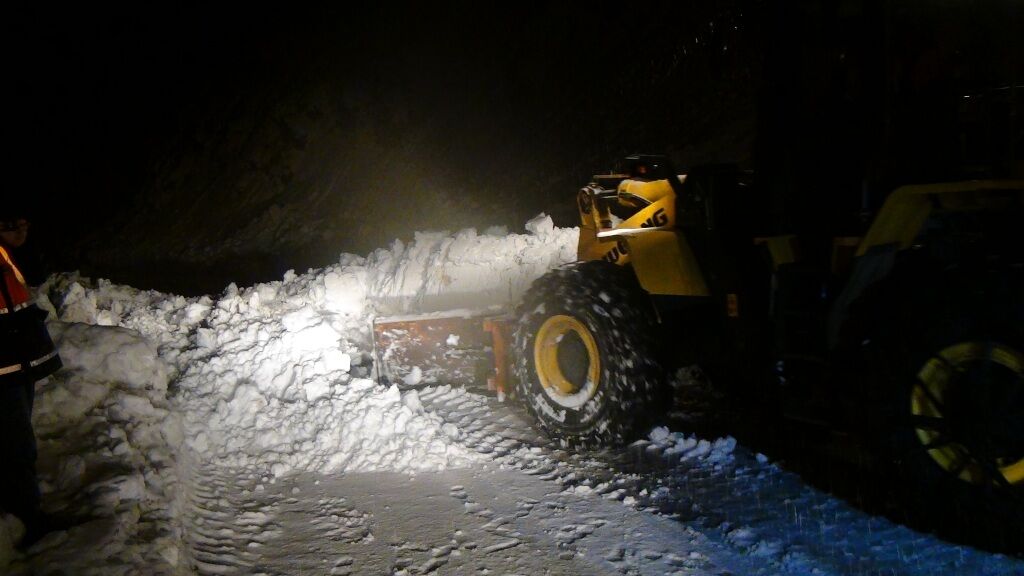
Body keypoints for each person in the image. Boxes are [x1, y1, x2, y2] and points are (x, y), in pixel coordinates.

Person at [0, 210, 63, 550]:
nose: (18, 229)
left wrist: (19, 245)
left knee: (19, 434)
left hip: (17, 359)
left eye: (23, 222)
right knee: (15, 441)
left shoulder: (8, 253)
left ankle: (26, 509)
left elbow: (35, 277)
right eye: (11, 223)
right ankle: (28, 517)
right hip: (3, 365)